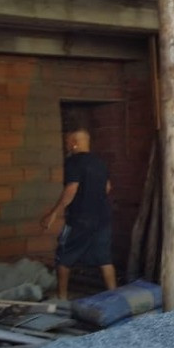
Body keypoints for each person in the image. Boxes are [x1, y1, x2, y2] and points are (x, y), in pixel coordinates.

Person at [41, 128, 116, 300]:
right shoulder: (100, 162)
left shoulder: (73, 162)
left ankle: (62, 298)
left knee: (63, 257)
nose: (67, 145)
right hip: (103, 218)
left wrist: (53, 213)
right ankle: (115, 297)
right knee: (105, 259)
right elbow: (107, 187)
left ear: (74, 143)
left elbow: (72, 189)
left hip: (80, 219)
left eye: (68, 142)